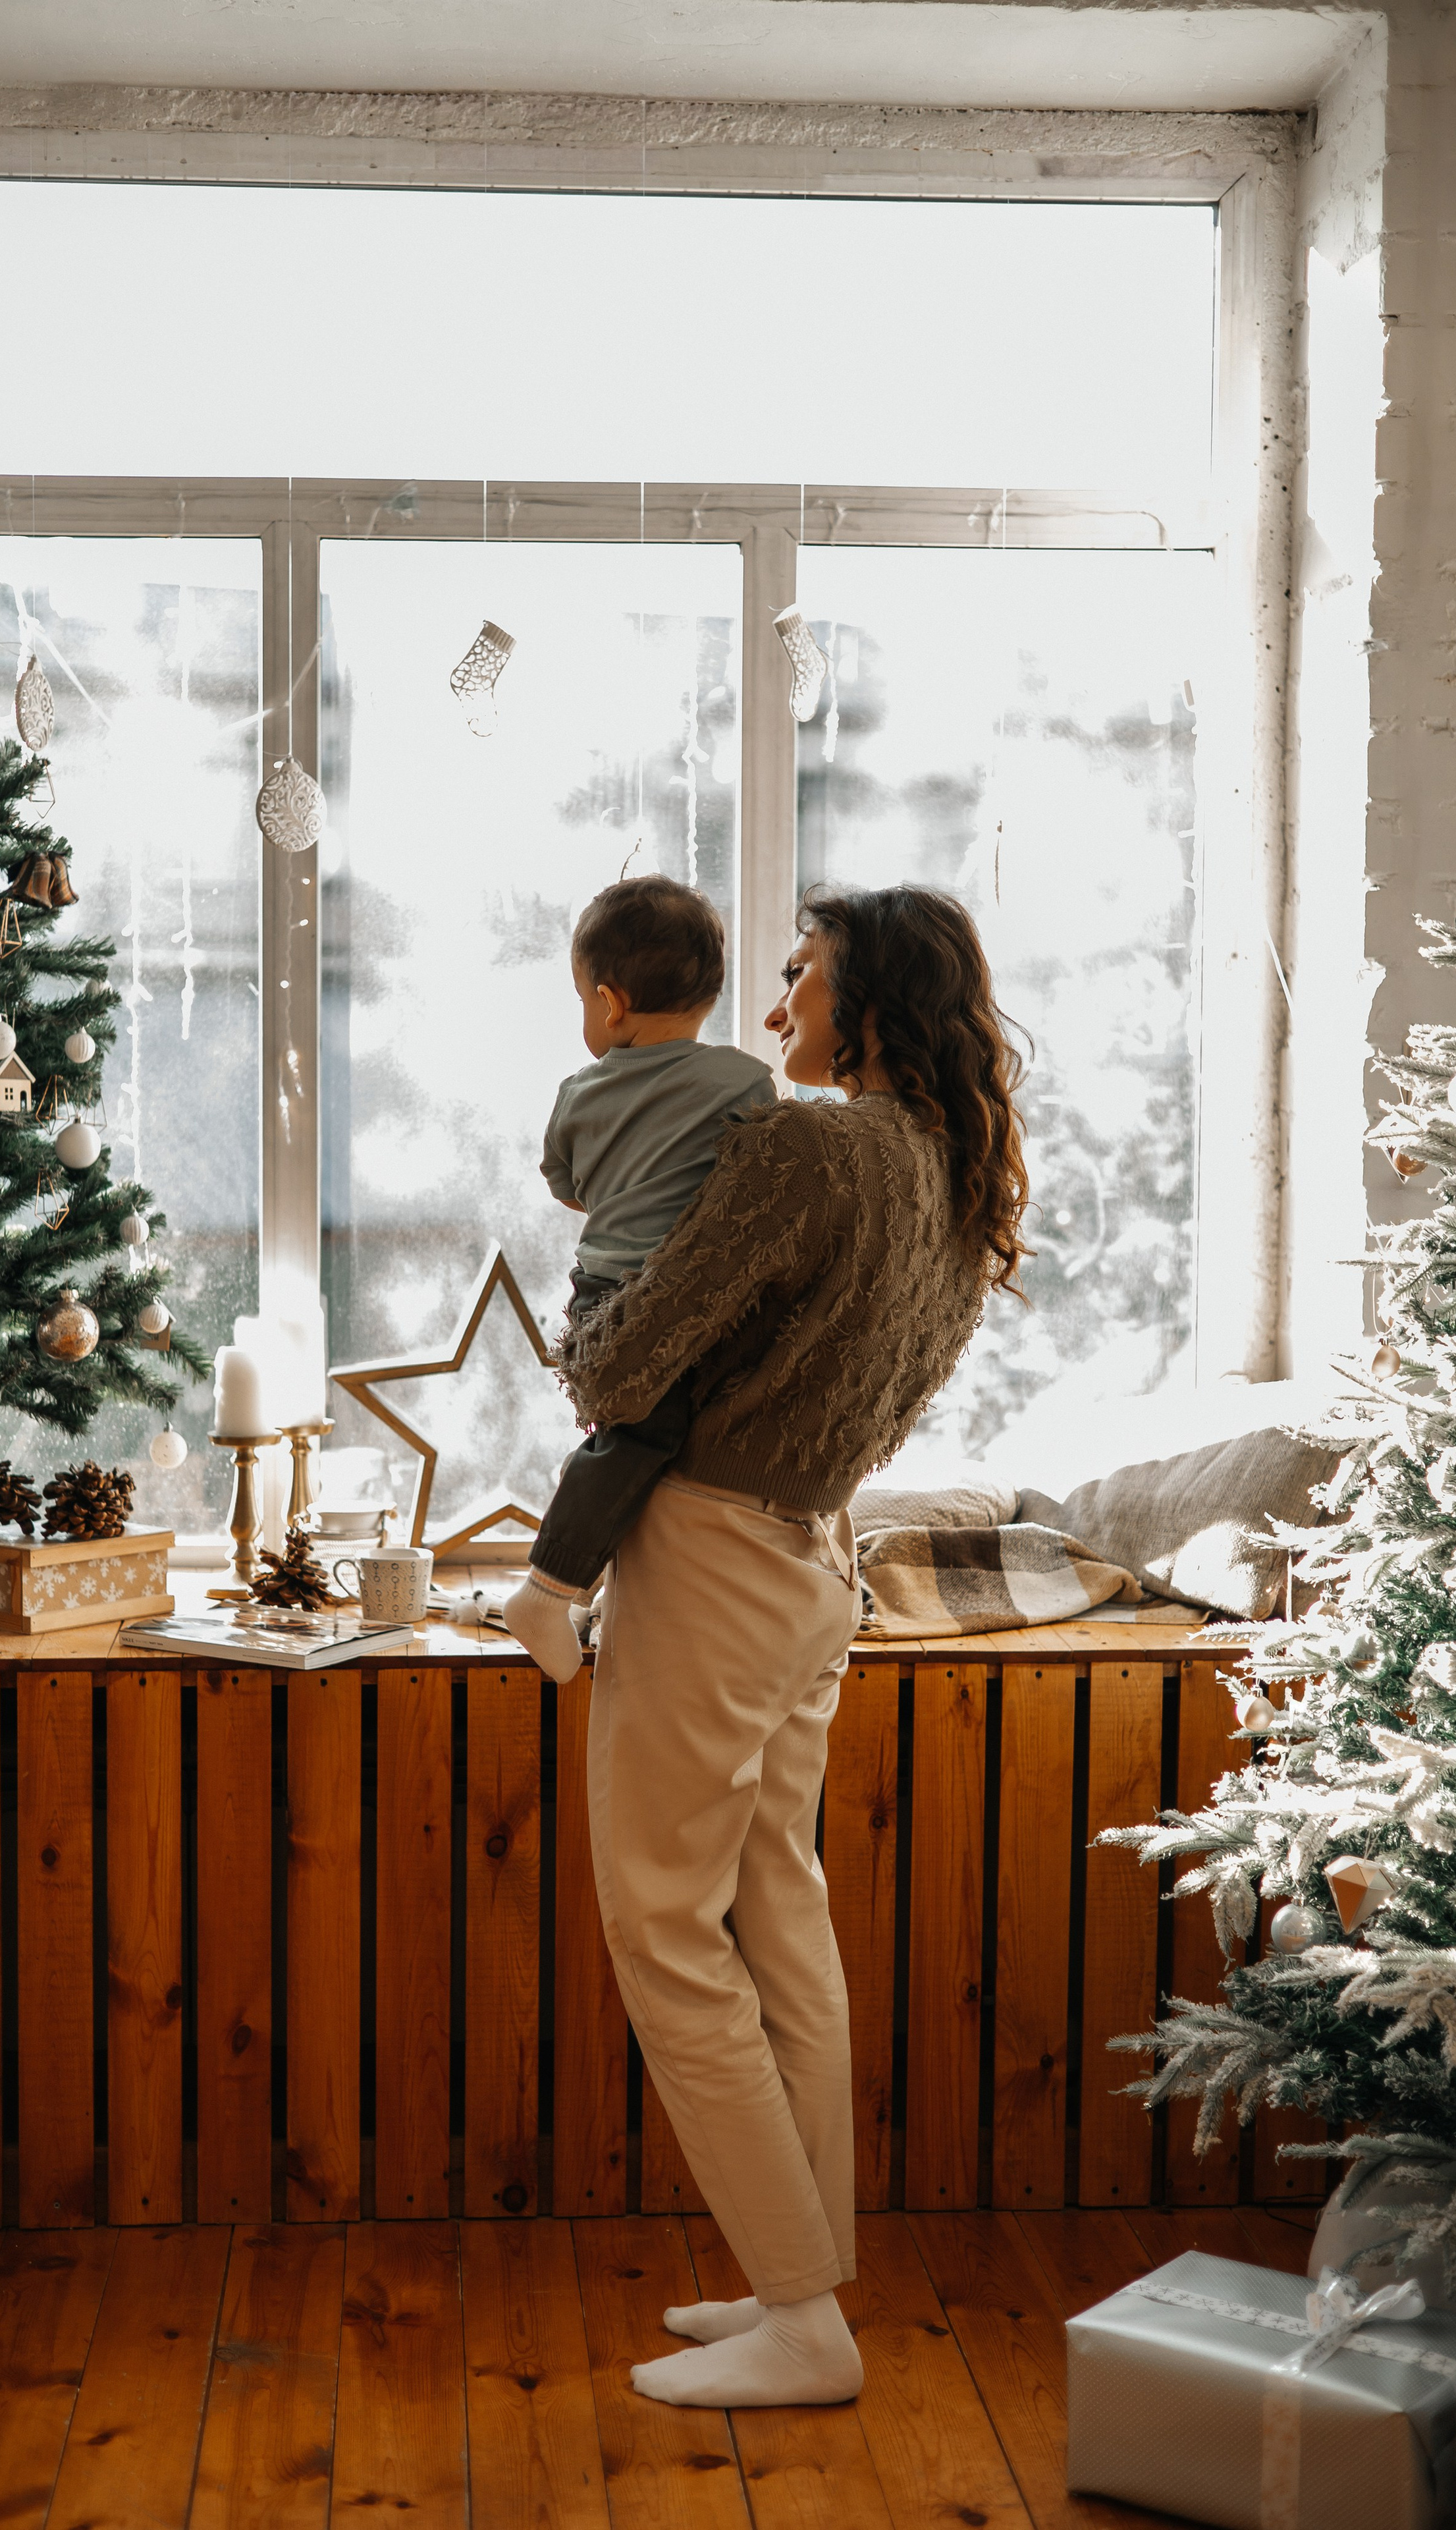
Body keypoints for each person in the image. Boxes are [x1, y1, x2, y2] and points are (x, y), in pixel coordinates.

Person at [554, 882, 1031, 2409]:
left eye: (798, 977)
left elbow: (619, 1364)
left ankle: (798, 2316)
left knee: (663, 1929)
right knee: (777, 1912)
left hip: (709, 1551)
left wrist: (583, 1323)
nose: (770, 1013)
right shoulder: (949, 1169)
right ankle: (802, 2277)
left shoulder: (803, 1146)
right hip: (815, 1549)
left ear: (869, 998)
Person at [502, 874, 776, 1684]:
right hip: (672, 1302)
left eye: (583, 1000)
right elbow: (757, 1178)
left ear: (611, 1003)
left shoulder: (579, 1092)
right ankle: (548, 1588)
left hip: (603, 1295)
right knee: (641, 1436)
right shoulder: (743, 1081)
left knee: (637, 1435)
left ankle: (562, 1584)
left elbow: (568, 1185)